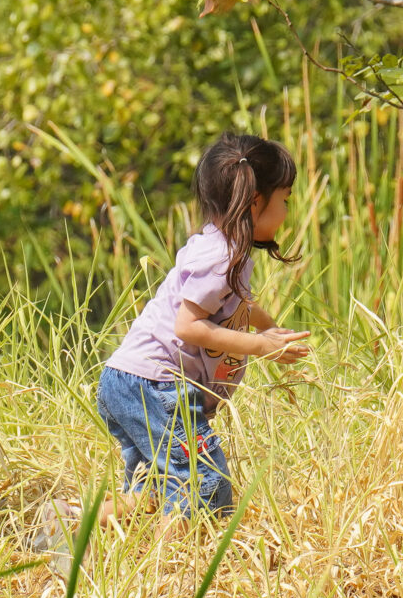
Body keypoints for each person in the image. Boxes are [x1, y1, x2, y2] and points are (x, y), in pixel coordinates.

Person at [98, 133, 311, 517]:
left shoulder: (221, 248)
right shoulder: (220, 258)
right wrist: (260, 346)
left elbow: (236, 303)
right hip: (155, 385)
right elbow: (188, 326)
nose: (286, 211)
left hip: (131, 381)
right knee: (204, 486)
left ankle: (67, 524)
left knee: (154, 493)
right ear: (255, 202)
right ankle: (176, 560)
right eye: (285, 200)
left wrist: (270, 329)